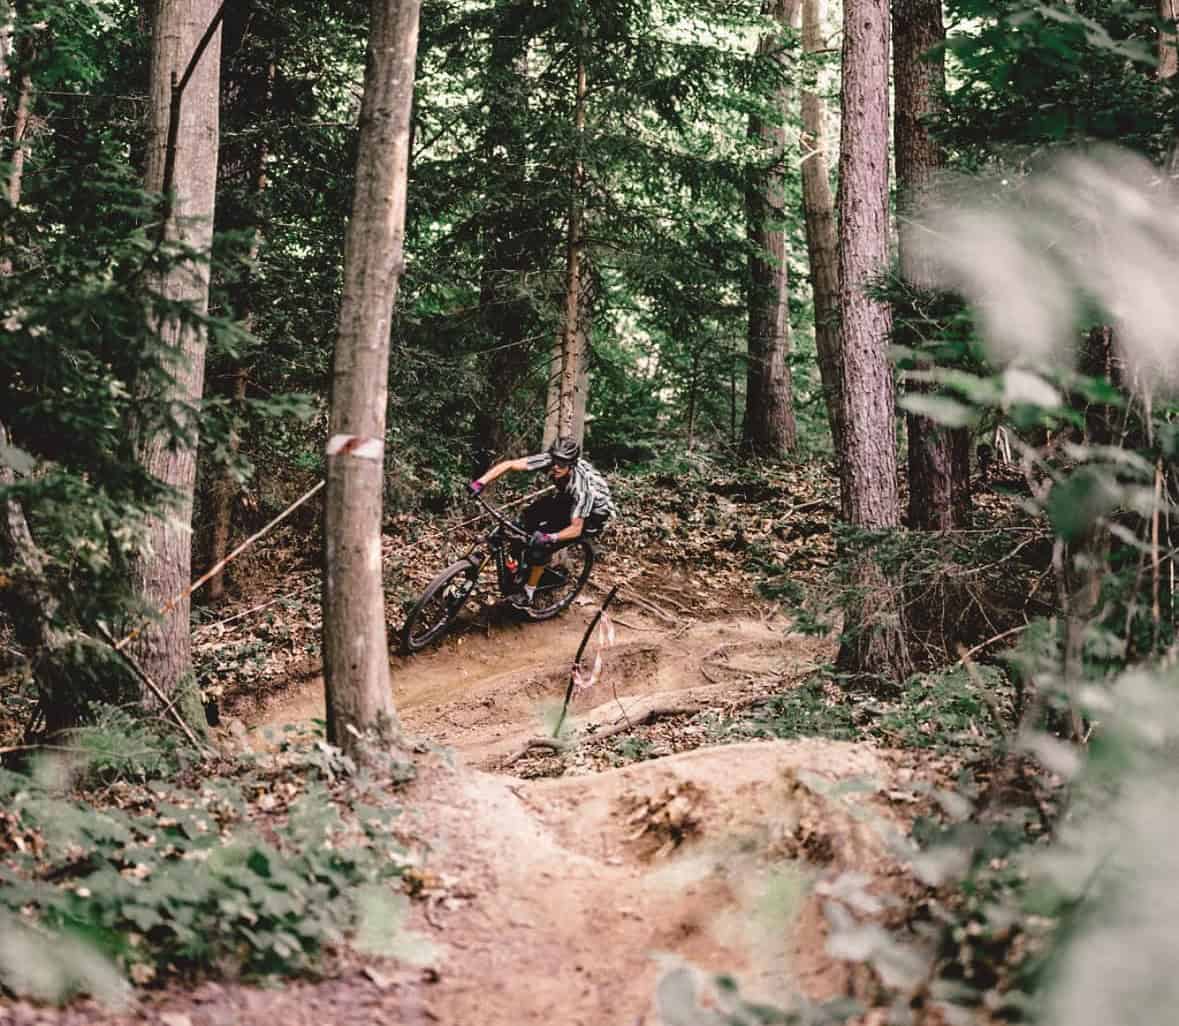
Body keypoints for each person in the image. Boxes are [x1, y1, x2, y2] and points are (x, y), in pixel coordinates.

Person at [469, 438, 614, 609]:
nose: (556, 467)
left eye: (562, 463)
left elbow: (576, 529)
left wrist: (549, 537)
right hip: (568, 499)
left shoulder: (582, 488)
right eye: (555, 460)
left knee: (541, 547)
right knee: (525, 519)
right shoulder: (551, 461)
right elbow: (510, 465)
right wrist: (481, 482)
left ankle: (528, 592)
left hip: (593, 515)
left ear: (572, 464)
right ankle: (519, 569)